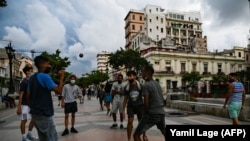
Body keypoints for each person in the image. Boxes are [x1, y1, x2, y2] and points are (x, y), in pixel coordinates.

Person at [27, 55, 65, 141]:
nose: (49, 66)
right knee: (51, 137)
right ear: (41, 65)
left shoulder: (32, 78)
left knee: (43, 137)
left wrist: (33, 107)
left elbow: (28, 95)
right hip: (44, 113)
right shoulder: (45, 77)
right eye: (48, 64)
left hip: (35, 114)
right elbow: (58, 91)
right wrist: (61, 77)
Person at [133, 65, 166, 141]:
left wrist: (143, 112)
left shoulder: (146, 85)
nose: (141, 74)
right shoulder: (157, 83)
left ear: (147, 73)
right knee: (164, 131)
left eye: (143, 72)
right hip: (161, 112)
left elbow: (146, 103)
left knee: (136, 135)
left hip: (152, 113)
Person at [122, 70, 147, 141]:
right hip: (131, 106)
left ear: (135, 76)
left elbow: (145, 96)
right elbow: (125, 99)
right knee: (130, 121)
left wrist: (146, 107)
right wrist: (123, 110)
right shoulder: (126, 87)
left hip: (140, 106)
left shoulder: (140, 86)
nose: (129, 77)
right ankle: (129, 139)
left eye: (130, 76)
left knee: (141, 122)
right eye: (128, 76)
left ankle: (144, 135)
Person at [16, 65, 37, 141]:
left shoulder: (32, 81)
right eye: (30, 70)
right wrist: (19, 107)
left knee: (34, 119)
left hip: (32, 105)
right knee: (24, 120)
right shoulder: (24, 82)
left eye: (32, 70)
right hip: (25, 105)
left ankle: (29, 134)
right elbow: (21, 95)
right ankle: (23, 137)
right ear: (27, 72)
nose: (31, 72)